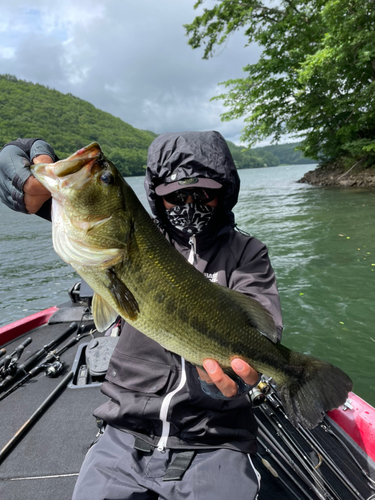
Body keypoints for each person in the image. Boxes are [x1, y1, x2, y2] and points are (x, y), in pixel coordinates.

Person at [0, 131, 283, 500]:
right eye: (174, 196)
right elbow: (22, 153)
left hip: (216, 437)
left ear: (225, 190)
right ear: (155, 196)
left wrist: (226, 383)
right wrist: (29, 170)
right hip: (124, 429)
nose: (189, 203)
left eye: (204, 193)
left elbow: (262, 328)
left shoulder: (247, 252)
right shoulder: (129, 232)